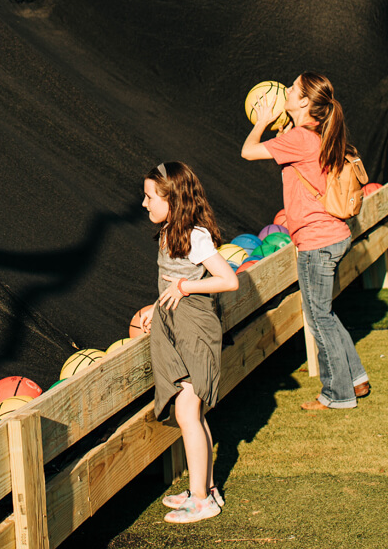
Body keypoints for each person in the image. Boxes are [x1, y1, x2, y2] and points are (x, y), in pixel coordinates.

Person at [241, 72, 370, 410]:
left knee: (317, 319)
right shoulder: (311, 135)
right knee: (325, 314)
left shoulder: (300, 137)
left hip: (317, 242)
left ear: (301, 102)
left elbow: (248, 152)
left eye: (292, 88)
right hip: (333, 236)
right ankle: (356, 379)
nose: (285, 89)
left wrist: (264, 121)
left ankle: (337, 394)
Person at [140, 161, 239, 524]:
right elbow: (172, 279)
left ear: (173, 198)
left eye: (151, 196)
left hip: (195, 330)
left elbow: (228, 280)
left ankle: (201, 500)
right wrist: (157, 306)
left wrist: (185, 287)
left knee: (186, 412)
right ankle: (206, 488)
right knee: (192, 413)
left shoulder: (195, 235)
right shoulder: (170, 232)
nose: (145, 203)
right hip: (177, 327)